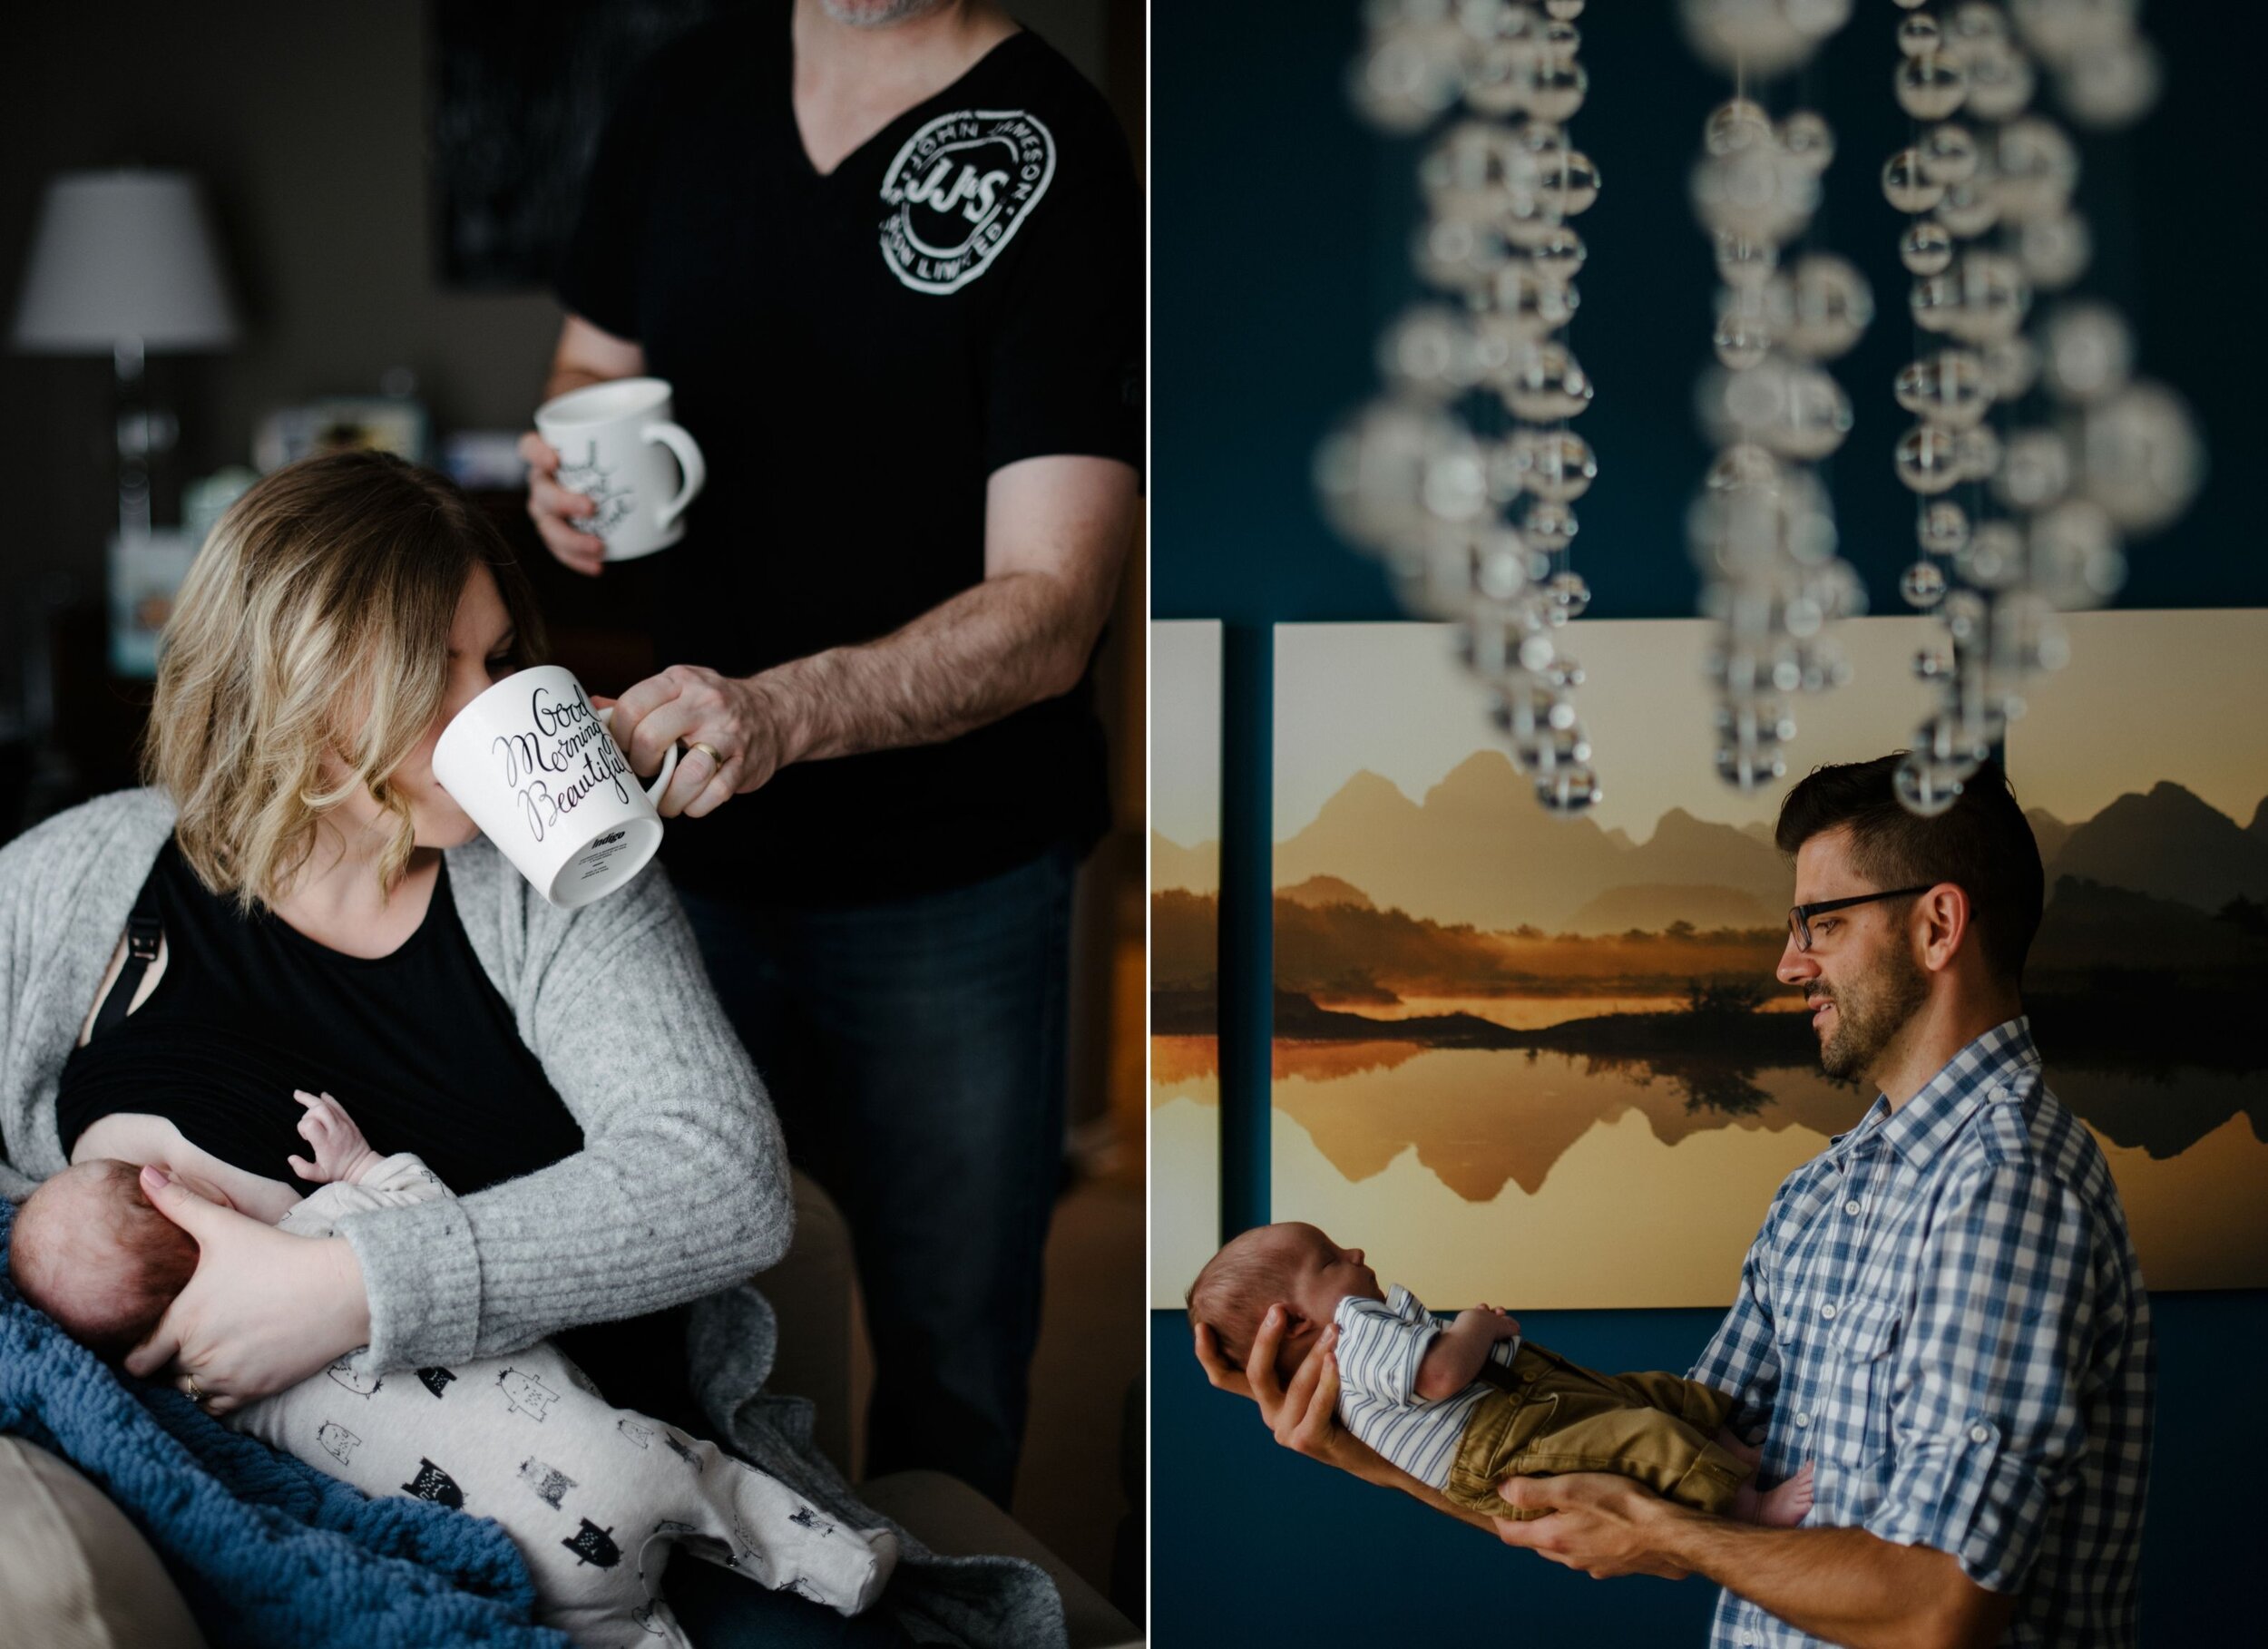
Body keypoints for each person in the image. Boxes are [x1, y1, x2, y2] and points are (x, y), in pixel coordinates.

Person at [0, 450, 942, 1646]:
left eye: (497, 657)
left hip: (611, 1497)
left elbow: (726, 1179)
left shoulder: (560, 878)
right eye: (432, 668)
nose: (494, 696)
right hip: (259, 1515)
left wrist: (345, 1287)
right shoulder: (87, 874)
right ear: (307, 694)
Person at [521, 0, 1142, 1509]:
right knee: (643, 1314)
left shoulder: (1053, 141)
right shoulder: (681, 95)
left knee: (948, 1351)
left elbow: (1053, 611)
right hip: (674, 859)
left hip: (952, 874)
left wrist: (784, 711)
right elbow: (583, 368)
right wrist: (561, 474)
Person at [1198, 756, 2153, 1648]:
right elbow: (1641, 1477)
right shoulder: (1826, 1192)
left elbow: (1940, 1604)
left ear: (1938, 927)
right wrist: (1361, 1443)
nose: (1788, 964)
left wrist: (1671, 1531)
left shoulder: (2004, 1188)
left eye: (1820, 923)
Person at [14, 1088, 898, 1645]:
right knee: (723, 1490)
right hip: (629, 1453)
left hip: (549, 1566)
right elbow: (433, 1224)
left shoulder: (218, 1393)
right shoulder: (331, 1231)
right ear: (183, 1191)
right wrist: (358, 1166)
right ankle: (841, 1563)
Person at [1186, 1221, 1816, 1527]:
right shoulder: (1351, 1334)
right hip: (1498, 1436)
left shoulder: (1347, 1361)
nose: (1355, 1255)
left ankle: (1731, 1449)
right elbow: (1439, 1377)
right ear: (1293, 1321)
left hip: (1508, 1419)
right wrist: (1474, 1325)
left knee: (1645, 1399)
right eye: (1330, 1259)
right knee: (1641, 1431)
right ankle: (1751, 1505)